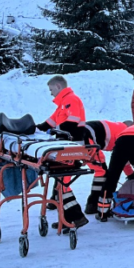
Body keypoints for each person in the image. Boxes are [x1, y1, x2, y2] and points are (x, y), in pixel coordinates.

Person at [36, 75, 88, 227]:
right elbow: (49, 123)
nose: (51, 93)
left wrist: (53, 131)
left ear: (58, 86)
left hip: (72, 148)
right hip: (65, 148)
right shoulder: (62, 105)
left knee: (62, 184)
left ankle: (75, 217)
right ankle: (67, 217)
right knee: (61, 182)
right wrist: (33, 129)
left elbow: (72, 123)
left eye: (51, 89)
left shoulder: (71, 100)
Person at [81, 119, 134, 214]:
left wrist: (131, 175)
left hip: (78, 137)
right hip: (87, 138)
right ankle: (92, 204)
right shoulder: (125, 133)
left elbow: (120, 159)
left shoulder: (116, 127)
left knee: (64, 171)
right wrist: (132, 175)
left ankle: (55, 198)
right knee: (101, 172)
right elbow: (122, 159)